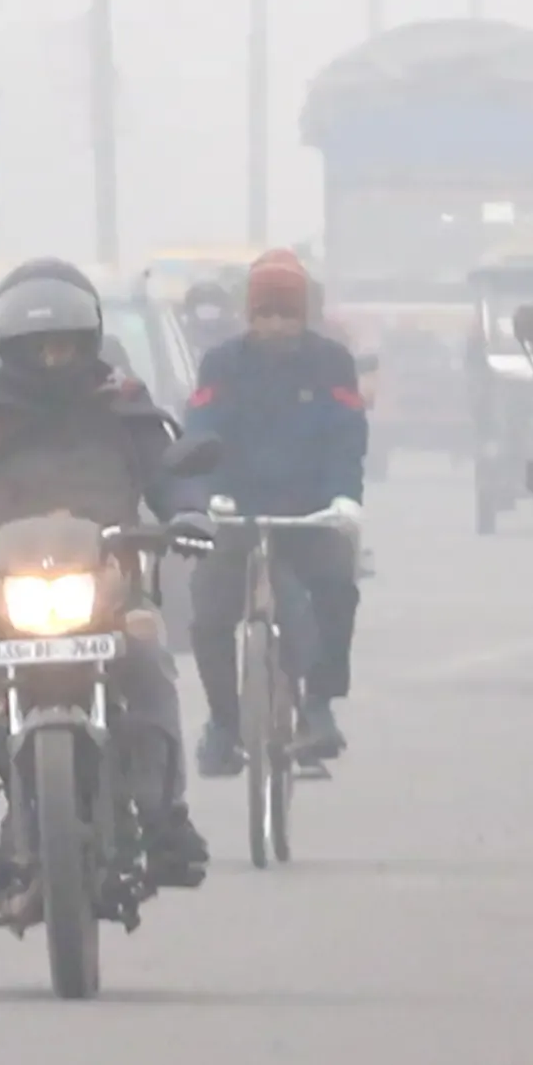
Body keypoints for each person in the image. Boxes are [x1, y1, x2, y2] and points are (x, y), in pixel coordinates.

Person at [0, 256, 205, 894]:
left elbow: (170, 478)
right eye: (38, 348)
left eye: (65, 346)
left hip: (110, 586)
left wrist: (191, 515)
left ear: (89, 340)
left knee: (148, 651)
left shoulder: (125, 409)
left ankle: (167, 820)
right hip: (4, 592)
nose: (53, 360)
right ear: (10, 346)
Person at [182, 247, 372, 778]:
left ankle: (319, 705)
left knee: (336, 587)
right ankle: (223, 723)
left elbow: (345, 434)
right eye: (265, 314)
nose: (275, 326)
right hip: (235, 510)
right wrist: (207, 493)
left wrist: (345, 499)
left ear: (302, 315)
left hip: (309, 511)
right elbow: (202, 427)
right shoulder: (222, 364)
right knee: (209, 613)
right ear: (250, 314)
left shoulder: (331, 362)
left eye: (285, 314)